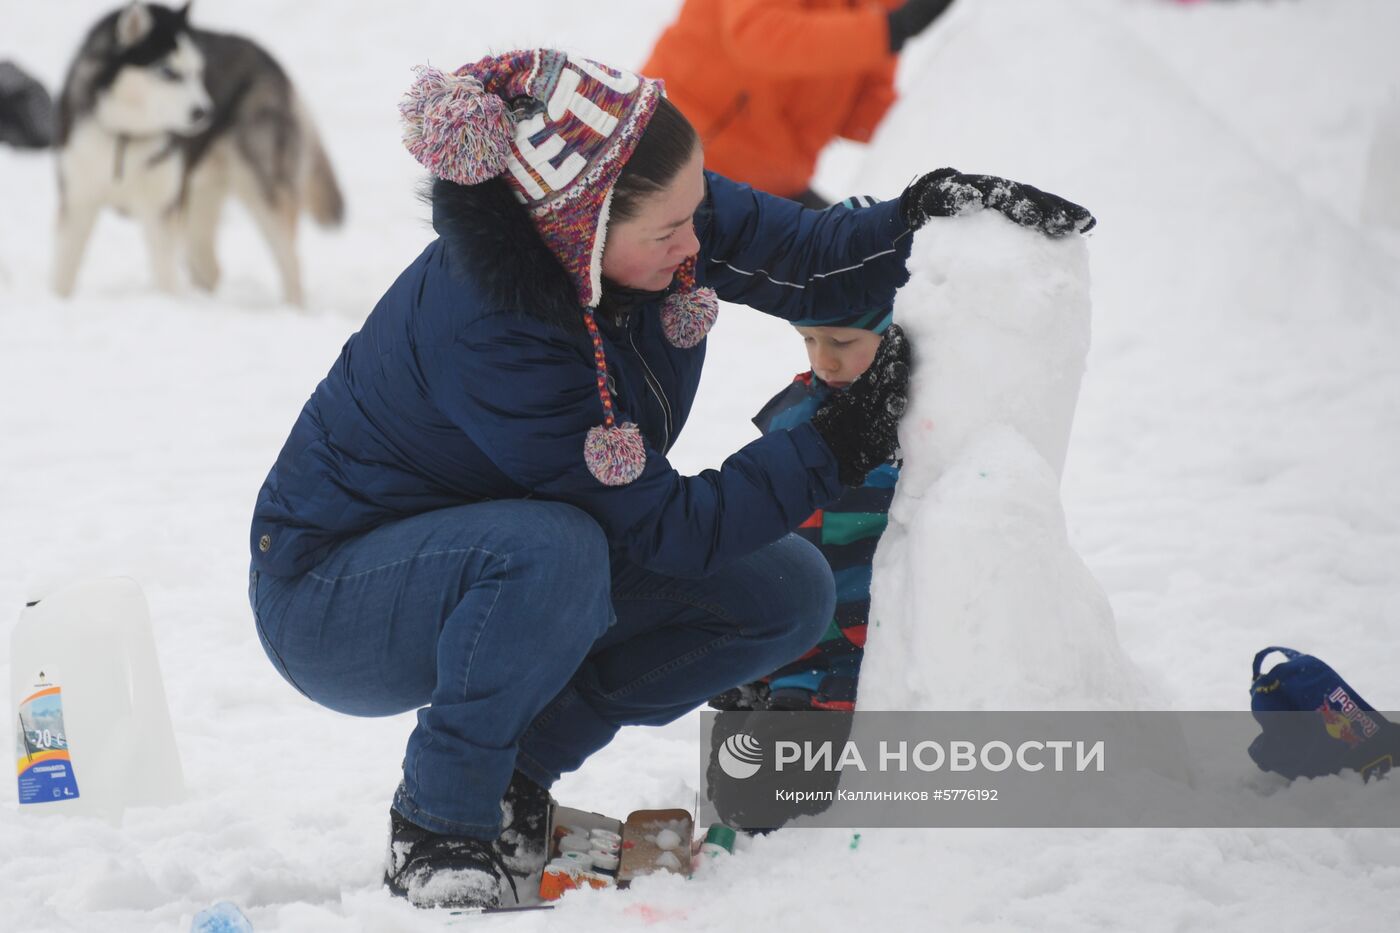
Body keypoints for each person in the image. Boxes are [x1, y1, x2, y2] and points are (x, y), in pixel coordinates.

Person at [246, 48, 1092, 911]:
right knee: (555, 552)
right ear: (581, 230)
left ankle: (516, 782)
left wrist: (927, 219)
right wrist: (834, 441)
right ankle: (439, 823)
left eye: (697, 213)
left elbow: (806, 253)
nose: (697, 245)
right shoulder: (498, 330)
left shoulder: (647, 207)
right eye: (670, 233)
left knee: (782, 590)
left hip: (508, 546)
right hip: (332, 595)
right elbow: (666, 532)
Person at [712, 210, 899, 714]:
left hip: (869, 622)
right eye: (809, 340)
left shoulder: (924, 422)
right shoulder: (799, 405)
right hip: (798, 604)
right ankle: (774, 680)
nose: (823, 360)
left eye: (842, 342)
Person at [643, 0, 958, 207]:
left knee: (880, 266)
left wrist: (943, 112)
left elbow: (861, 118)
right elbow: (756, 36)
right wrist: (890, 30)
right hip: (673, 158)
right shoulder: (882, 24)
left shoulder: (878, 8)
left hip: (771, 184)